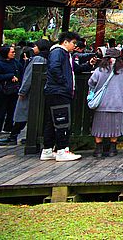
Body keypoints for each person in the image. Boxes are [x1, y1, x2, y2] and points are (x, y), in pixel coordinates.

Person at [0, 40, 51, 146]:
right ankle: (24, 136)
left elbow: (28, 77)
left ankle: (13, 136)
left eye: (35, 46)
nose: (33, 48)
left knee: (21, 113)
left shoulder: (37, 59)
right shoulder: (47, 58)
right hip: (39, 92)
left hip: (30, 92)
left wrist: (22, 91)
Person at [41, 31, 83, 162]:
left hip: (55, 91)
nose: (74, 46)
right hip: (59, 91)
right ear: (65, 42)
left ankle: (48, 149)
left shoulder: (64, 54)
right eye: (73, 43)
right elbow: (54, 68)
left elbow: (74, 69)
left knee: (52, 121)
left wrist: (88, 65)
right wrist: (64, 82)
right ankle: (62, 150)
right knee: (62, 121)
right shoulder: (58, 52)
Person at [89, 47, 123, 158]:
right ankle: (112, 149)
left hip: (102, 104)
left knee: (98, 127)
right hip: (118, 103)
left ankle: (98, 149)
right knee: (115, 127)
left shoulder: (100, 69)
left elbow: (91, 82)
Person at [0, 45, 21, 135]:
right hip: (2, 90)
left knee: (12, 110)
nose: (14, 54)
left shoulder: (15, 62)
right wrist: (10, 76)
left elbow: (21, 71)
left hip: (14, 89)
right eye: (12, 52)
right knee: (0, 111)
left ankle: (8, 128)